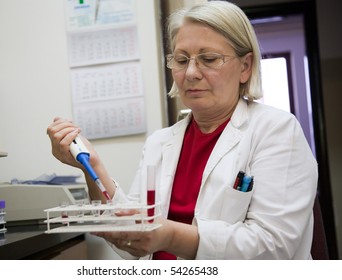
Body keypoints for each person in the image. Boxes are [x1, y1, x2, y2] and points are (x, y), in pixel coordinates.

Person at [47, 0, 318, 259]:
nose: (190, 73)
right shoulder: (160, 143)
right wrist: (92, 166)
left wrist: (170, 237)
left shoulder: (277, 131)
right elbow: (132, 244)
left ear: (245, 67)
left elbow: (273, 248)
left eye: (209, 59)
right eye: (181, 59)